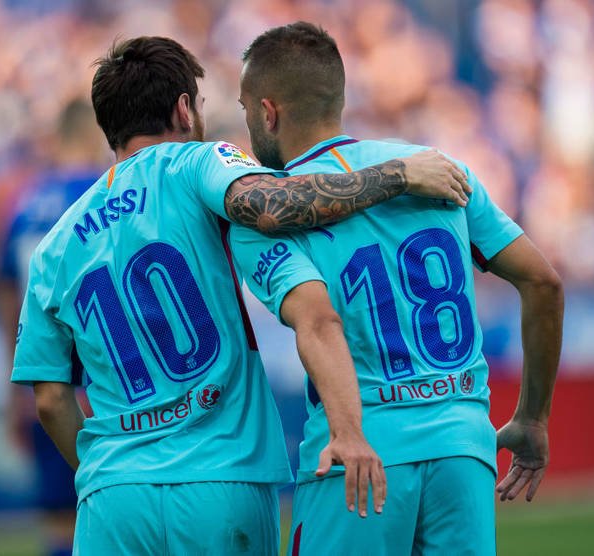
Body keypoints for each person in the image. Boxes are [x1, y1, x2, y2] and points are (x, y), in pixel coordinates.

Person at [10, 36, 471, 555]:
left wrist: (109, 474)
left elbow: (50, 398)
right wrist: (399, 174)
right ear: (184, 109)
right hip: (221, 478)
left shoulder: (54, 244)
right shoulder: (197, 162)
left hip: (114, 495)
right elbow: (272, 205)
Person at [229, 22, 564, 555]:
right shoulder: (441, 172)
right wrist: (532, 417)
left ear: (268, 112)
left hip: (359, 449)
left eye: (246, 109)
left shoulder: (267, 215)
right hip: (463, 445)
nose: (248, 123)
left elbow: (319, 320)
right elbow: (543, 283)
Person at [0, 98, 108, 556]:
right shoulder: (105, 194)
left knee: (61, 523)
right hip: (104, 382)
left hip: (45, 379)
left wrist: (13, 391)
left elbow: (8, 303)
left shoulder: (24, 206)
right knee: (112, 513)